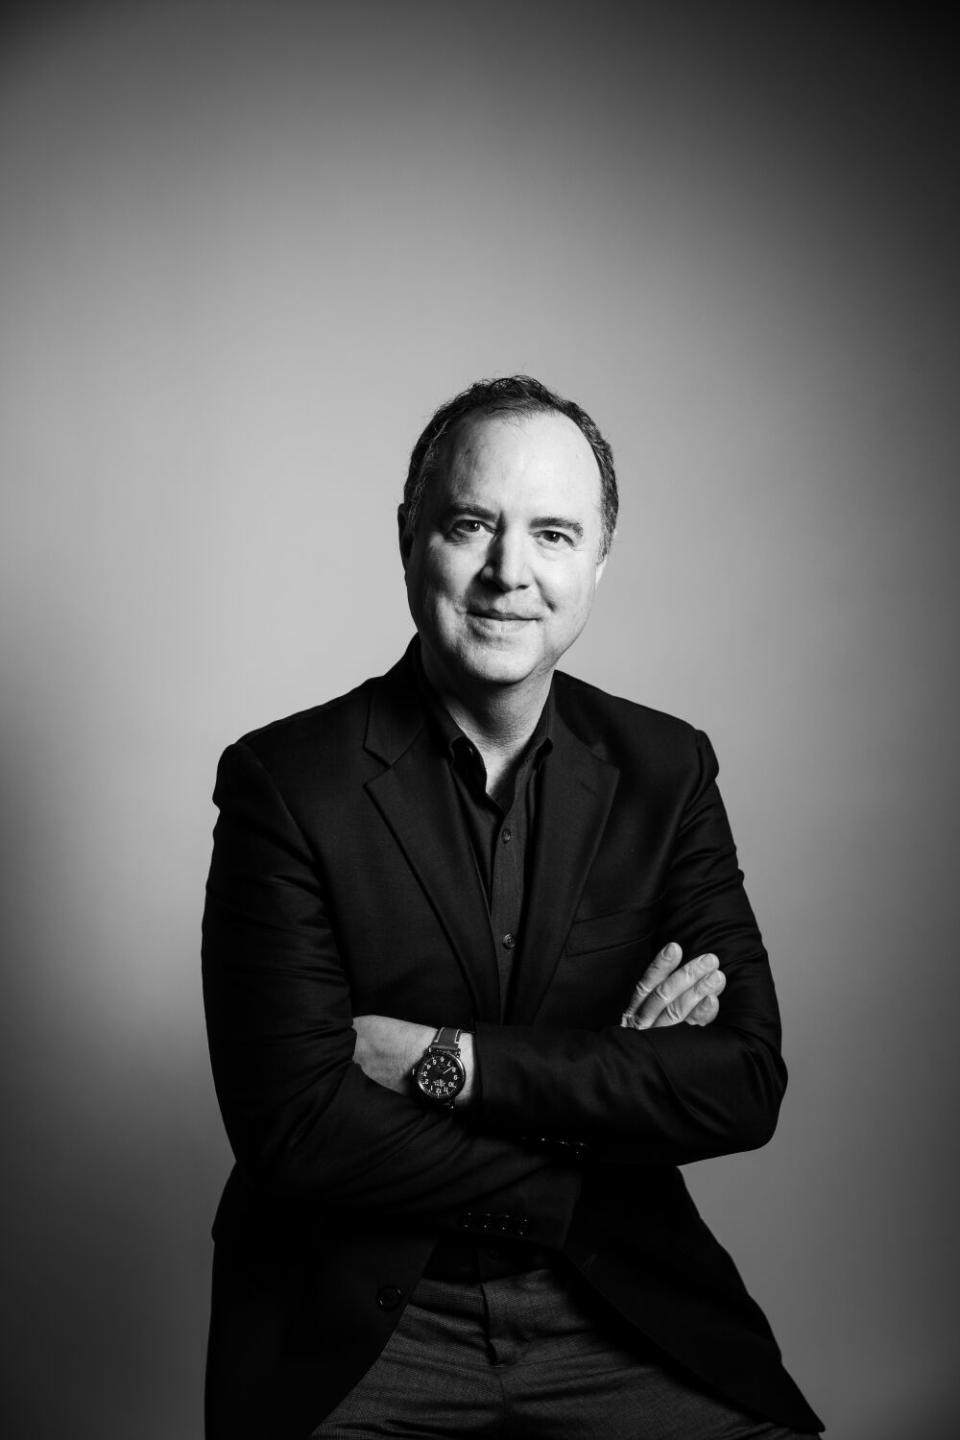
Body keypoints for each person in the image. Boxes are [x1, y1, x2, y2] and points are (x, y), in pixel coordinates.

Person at [202, 376, 823, 1439]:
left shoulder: (666, 771)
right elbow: (297, 1128)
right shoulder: (284, 783)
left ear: (597, 566)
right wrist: (599, 1120)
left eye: (552, 534)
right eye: (471, 524)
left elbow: (742, 1082)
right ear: (410, 539)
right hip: (362, 1328)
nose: (509, 572)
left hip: (618, 1300)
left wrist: (456, 1063)